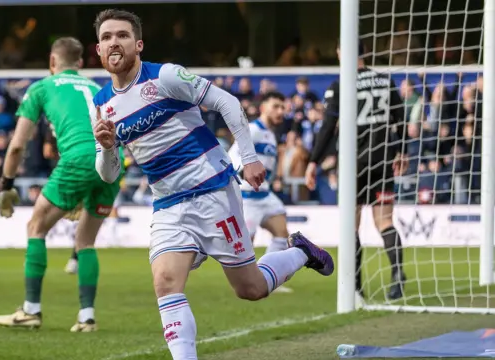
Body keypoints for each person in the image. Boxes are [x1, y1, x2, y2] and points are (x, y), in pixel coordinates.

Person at [91, 9, 334, 359]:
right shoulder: (101, 106)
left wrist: (248, 157)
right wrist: (108, 147)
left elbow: (226, 101)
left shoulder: (166, 77)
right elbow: (110, 173)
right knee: (165, 283)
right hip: (167, 204)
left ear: (138, 44)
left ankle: (301, 252)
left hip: (212, 191)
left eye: (122, 35)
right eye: (106, 37)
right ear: (98, 50)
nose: (114, 42)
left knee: (250, 289)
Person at [0, 37, 124, 332]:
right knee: (86, 242)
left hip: (78, 158)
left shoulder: (42, 87)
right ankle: (86, 317)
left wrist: (6, 186)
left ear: (52, 62)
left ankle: (30, 310)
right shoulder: (96, 88)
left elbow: (16, 146)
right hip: (113, 161)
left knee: (36, 228)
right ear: (80, 64)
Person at [305, 40, 408, 301]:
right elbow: (401, 118)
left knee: (352, 225)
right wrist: (403, 151)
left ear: (341, 53)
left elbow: (328, 126)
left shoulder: (341, 85)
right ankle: (397, 276)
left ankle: (357, 288)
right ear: (366, 53)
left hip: (354, 162)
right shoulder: (385, 80)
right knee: (385, 221)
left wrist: (314, 161)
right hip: (383, 158)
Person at [228, 91, 293, 294]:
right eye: (276, 106)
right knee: (246, 246)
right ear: (263, 108)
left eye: (282, 107)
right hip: (247, 197)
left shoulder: (271, 134)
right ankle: (250, 282)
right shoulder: (252, 130)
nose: (280, 111)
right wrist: (242, 170)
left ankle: (268, 274)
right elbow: (233, 154)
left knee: (282, 233)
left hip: (264, 195)